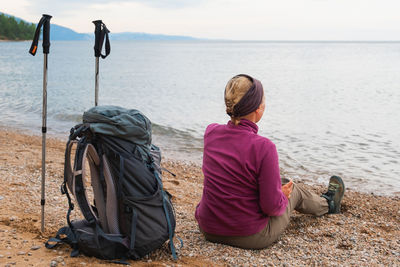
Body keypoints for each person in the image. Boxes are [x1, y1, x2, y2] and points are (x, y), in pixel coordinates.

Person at [195, 74, 345, 249]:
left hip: (208, 228)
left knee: (274, 183)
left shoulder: (211, 132)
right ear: (258, 109)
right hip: (249, 235)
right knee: (293, 189)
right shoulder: (264, 147)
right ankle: (329, 204)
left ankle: (322, 201)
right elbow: (271, 209)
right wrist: (282, 197)